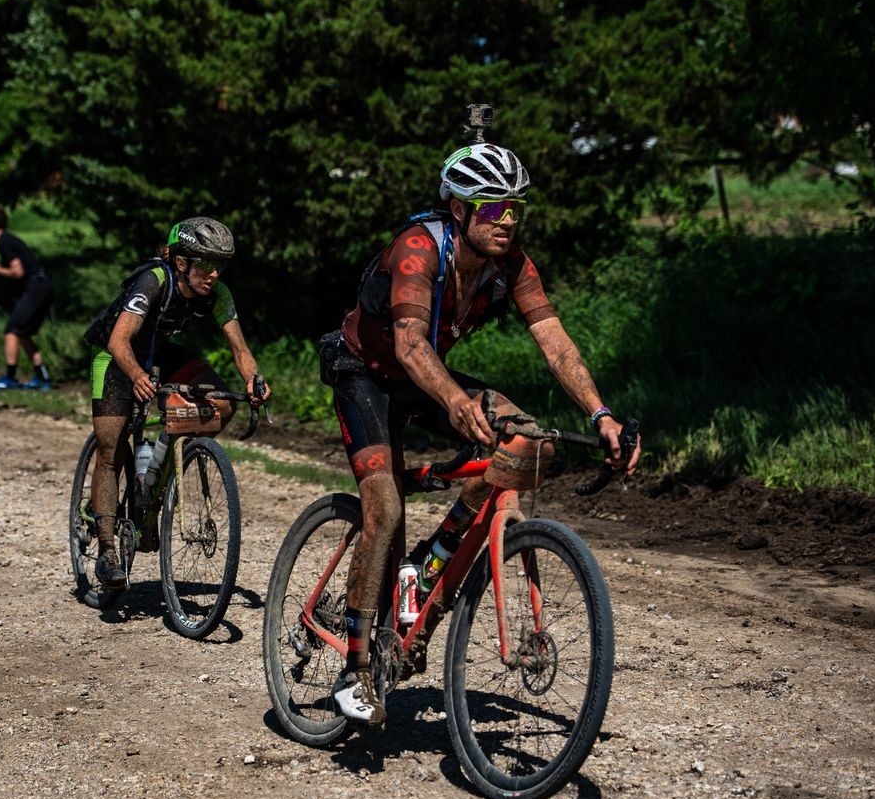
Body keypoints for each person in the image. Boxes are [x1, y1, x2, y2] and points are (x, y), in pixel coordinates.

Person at [322, 135, 642, 728]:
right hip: (363, 372)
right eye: (495, 209)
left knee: (522, 432)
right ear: (461, 210)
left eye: (517, 209)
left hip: (422, 376)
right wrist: (454, 400)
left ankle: (432, 568)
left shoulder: (510, 263)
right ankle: (357, 669)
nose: (508, 222)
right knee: (385, 509)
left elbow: (553, 339)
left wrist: (601, 414)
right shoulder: (419, 249)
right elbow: (411, 345)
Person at [83, 216, 269, 588]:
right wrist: (137, 377)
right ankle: (106, 548)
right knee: (111, 448)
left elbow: (239, 347)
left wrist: (252, 379)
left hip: (160, 352)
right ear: (181, 263)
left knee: (222, 403)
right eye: (206, 264)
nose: (214, 274)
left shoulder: (218, 293)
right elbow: (120, 340)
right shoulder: (153, 281)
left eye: (220, 265)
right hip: (117, 356)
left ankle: (164, 471)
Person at [0, 204, 53, 391]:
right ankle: (42, 377)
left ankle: (10, 378)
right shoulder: (9, 239)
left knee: (12, 328)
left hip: (36, 287)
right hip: (42, 286)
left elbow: (17, 272)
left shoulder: (3, 241)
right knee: (23, 332)